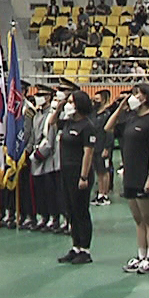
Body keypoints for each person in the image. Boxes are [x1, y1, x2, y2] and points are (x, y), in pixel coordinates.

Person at [109, 83, 149, 273]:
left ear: (146, 97)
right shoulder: (130, 119)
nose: (134, 96)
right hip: (130, 175)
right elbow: (108, 127)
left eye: (137, 94)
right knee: (138, 219)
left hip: (145, 175)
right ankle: (141, 254)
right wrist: (120, 107)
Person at [56, 91, 102, 264]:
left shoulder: (87, 126)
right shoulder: (68, 123)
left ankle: (85, 249)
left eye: (71, 102)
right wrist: (59, 107)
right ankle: (75, 246)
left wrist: (83, 176)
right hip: (66, 171)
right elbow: (52, 123)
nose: (69, 104)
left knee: (81, 210)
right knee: (70, 210)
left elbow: (88, 153)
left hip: (80, 173)